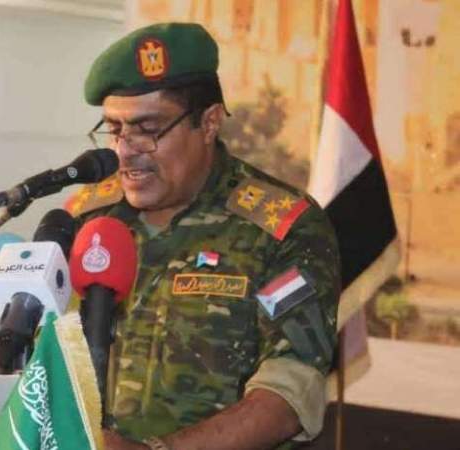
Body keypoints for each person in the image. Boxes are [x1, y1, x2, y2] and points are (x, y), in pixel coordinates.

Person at [77, 22, 340, 450]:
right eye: (115, 129)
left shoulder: (280, 228)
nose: (125, 150)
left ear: (210, 122)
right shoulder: (87, 220)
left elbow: (289, 394)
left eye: (148, 128)